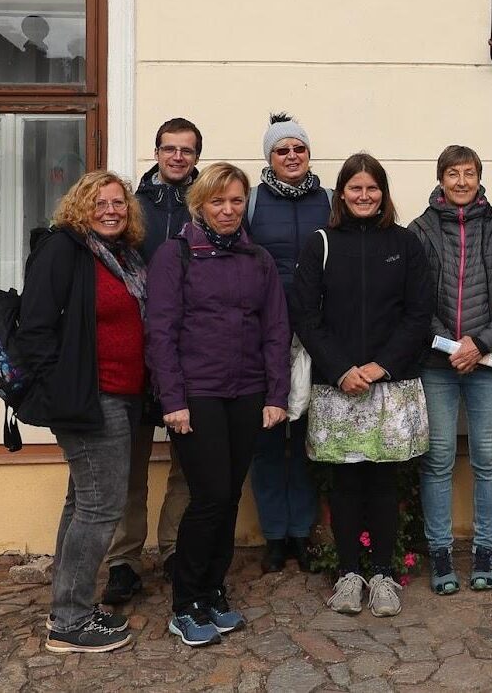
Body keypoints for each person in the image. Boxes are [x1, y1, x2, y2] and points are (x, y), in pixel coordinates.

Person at [146, 162, 290, 647]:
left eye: (236, 201)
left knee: (228, 498)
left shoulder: (258, 258)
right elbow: (161, 332)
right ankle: (185, 602)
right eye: (217, 201)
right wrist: (173, 399)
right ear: (200, 204)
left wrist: (276, 395)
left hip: (246, 393)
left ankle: (212, 590)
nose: (228, 210)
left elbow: (276, 330)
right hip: (197, 395)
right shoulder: (175, 255)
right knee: (207, 498)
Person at [293, 153, 433, 617]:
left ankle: (384, 576)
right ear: (342, 193)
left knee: (385, 482)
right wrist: (341, 369)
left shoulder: (406, 244)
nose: (364, 195)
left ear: (383, 193)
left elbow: (418, 315)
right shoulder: (321, 244)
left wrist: (380, 367)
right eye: (355, 188)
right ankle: (349, 574)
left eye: (372, 188)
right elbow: (306, 316)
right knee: (346, 482)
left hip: (389, 385)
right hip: (338, 385)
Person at [18, 171, 147, 653]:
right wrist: (63, 389)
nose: (111, 210)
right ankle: (70, 621)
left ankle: (67, 607)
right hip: (91, 399)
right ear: (79, 206)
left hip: (121, 395)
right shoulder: (64, 250)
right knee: (101, 508)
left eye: (118, 202)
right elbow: (34, 328)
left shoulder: (121, 255)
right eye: (99, 202)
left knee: (83, 504)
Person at [410, 145, 492, 595]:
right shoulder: (420, 230)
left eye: (469, 173)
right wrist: (451, 345)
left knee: (488, 460)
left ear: (479, 178)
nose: (461, 181)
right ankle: (440, 552)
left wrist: (480, 344)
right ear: (440, 179)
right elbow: (415, 300)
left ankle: (483, 550)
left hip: (488, 363)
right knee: (437, 459)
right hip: (436, 363)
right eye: (453, 173)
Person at [103, 117, 200, 606]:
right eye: (169, 148)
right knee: (129, 465)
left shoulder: (206, 205)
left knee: (188, 463)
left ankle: (176, 549)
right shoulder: (132, 205)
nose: (177, 157)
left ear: (196, 156)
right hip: (135, 354)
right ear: (157, 152)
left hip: (191, 353)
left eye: (186, 150)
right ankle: (124, 561)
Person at [246, 113, 331, 574]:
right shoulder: (252, 202)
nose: (292, 156)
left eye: (299, 148)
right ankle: (274, 536)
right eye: (282, 150)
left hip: (316, 333)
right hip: (264, 334)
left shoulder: (330, 200)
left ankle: (302, 531)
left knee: (305, 438)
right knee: (266, 437)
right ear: (270, 157)